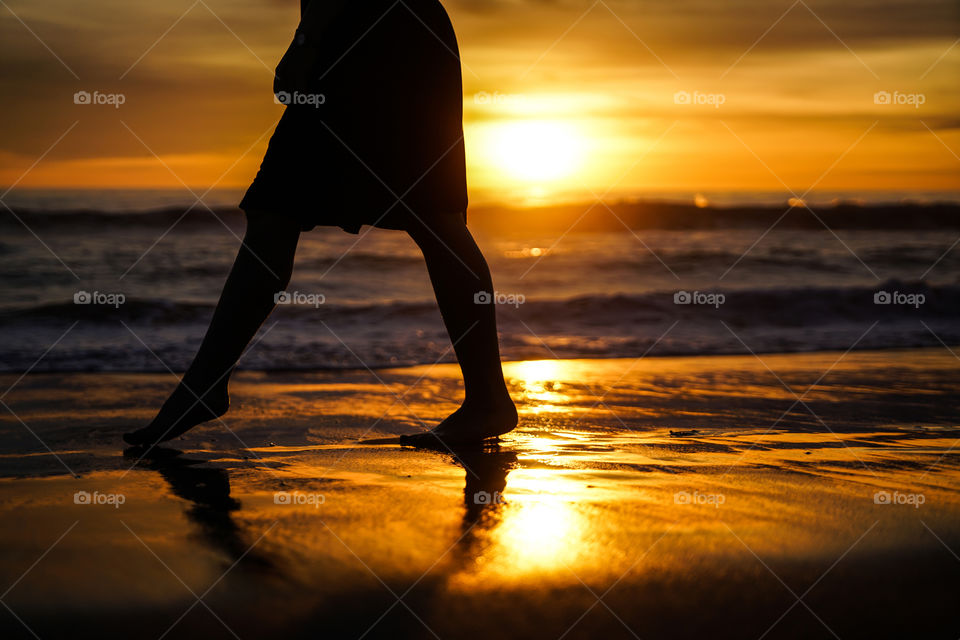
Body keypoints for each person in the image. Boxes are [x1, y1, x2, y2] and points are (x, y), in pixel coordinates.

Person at [123, 0, 517, 448]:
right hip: (400, 30)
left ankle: (204, 387)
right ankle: (487, 397)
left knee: (287, 207)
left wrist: (307, 39)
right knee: (425, 215)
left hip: (369, 32)